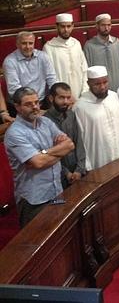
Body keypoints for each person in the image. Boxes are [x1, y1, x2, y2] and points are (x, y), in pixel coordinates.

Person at [4, 87, 74, 227]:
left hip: (56, 191)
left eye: (36, 102)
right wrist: (58, 152)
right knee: (39, 244)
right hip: (33, 200)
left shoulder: (46, 122)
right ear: (17, 107)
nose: (35, 107)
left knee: (60, 236)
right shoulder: (14, 133)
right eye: (28, 104)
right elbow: (37, 163)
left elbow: (70, 145)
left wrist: (43, 153)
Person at [74, 66, 119, 171]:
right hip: (97, 159)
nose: (102, 87)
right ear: (88, 84)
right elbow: (80, 138)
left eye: (105, 82)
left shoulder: (114, 96)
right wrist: (86, 164)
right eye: (97, 84)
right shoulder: (80, 106)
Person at [44, 82, 86, 189]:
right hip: (58, 177)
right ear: (51, 98)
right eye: (61, 98)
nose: (66, 102)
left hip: (78, 172)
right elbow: (49, 153)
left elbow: (79, 142)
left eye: (68, 97)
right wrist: (66, 173)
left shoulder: (71, 115)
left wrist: (79, 170)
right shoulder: (44, 122)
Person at [3, 31, 57, 109]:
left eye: (30, 43)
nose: (28, 47)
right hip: (21, 105)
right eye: (24, 43)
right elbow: (14, 89)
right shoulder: (10, 61)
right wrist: (33, 104)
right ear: (17, 44)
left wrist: (56, 95)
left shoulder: (43, 56)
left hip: (42, 102)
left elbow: (52, 79)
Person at [43, 13, 89, 98]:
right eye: (62, 26)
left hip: (80, 91)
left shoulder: (76, 43)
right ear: (56, 27)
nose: (66, 30)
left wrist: (84, 90)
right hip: (61, 95)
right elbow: (50, 75)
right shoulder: (49, 47)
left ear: (72, 26)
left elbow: (84, 68)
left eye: (68, 26)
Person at [83, 13, 119, 91]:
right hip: (100, 90)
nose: (106, 28)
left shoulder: (116, 43)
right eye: (103, 25)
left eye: (108, 25)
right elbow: (87, 70)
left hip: (118, 87)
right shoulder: (89, 46)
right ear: (97, 26)